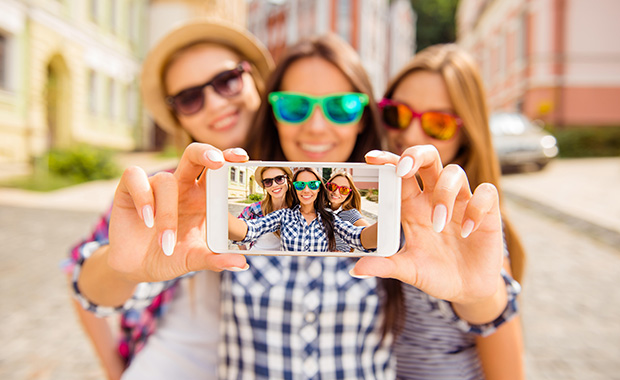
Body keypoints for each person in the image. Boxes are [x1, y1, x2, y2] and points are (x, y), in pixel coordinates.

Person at [71, 33, 513, 380]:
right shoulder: (224, 195)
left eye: (342, 107)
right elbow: (94, 289)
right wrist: (123, 267)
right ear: (272, 111)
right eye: (295, 105)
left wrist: (481, 291)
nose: (316, 126)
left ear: (364, 117)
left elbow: (472, 308)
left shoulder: (396, 213)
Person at [65, 18, 273, 380]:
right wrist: (122, 269)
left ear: (253, 78)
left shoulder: (302, 178)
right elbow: (82, 281)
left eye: (227, 81)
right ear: (178, 116)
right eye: (190, 98)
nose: (214, 103)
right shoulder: (159, 190)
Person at [379, 43, 525, 379]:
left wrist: (480, 295)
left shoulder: (471, 224)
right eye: (397, 113)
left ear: (466, 135)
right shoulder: (370, 199)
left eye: (438, 123)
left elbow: (507, 370)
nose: (411, 134)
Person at [229, 167, 377, 252]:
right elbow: (249, 229)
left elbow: (358, 237)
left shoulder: (330, 218)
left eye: (312, 184)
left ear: (319, 188)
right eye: (300, 185)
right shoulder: (284, 215)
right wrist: (213, 212)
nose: (306, 189)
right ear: (294, 188)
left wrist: (395, 219)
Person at [236, 166, 295, 251]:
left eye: (279, 179)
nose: (274, 185)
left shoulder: (296, 209)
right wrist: (244, 253)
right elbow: (236, 229)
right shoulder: (255, 209)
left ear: (288, 180)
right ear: (264, 186)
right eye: (268, 182)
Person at [325, 170, 370, 252]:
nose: (336, 192)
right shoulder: (323, 209)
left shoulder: (350, 214)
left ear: (349, 194)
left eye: (344, 190)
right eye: (332, 186)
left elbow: (372, 237)